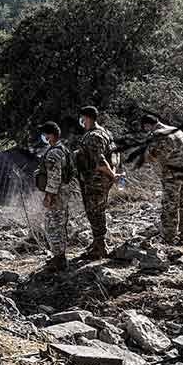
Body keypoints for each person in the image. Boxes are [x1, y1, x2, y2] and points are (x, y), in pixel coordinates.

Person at [141, 115, 183, 244]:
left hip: (173, 174)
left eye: (145, 128)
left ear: (147, 125)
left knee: (170, 205)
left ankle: (168, 238)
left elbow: (152, 155)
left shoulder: (157, 134)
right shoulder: (176, 130)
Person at [74, 106, 117, 260]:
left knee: (95, 212)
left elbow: (100, 160)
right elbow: (115, 155)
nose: (81, 122)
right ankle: (98, 243)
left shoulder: (93, 136)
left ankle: (100, 247)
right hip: (100, 179)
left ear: (87, 118)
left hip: (95, 180)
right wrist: (112, 174)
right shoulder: (106, 133)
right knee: (98, 210)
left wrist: (112, 175)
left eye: (82, 118)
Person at [37, 121, 74, 271]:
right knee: (59, 224)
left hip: (57, 195)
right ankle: (59, 257)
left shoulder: (54, 152)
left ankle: (59, 259)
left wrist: (49, 196)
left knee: (53, 226)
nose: (44, 137)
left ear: (51, 135)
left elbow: (54, 176)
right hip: (63, 192)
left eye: (45, 134)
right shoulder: (62, 149)